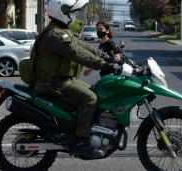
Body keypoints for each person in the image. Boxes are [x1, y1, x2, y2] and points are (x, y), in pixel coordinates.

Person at [30, 0, 121, 157]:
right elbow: (76, 53)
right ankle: (80, 141)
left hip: (63, 79)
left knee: (96, 91)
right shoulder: (54, 34)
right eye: (70, 12)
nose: (71, 16)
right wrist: (104, 64)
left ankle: (85, 128)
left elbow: (84, 47)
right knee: (90, 99)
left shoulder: (62, 31)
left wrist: (108, 57)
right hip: (51, 82)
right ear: (61, 12)